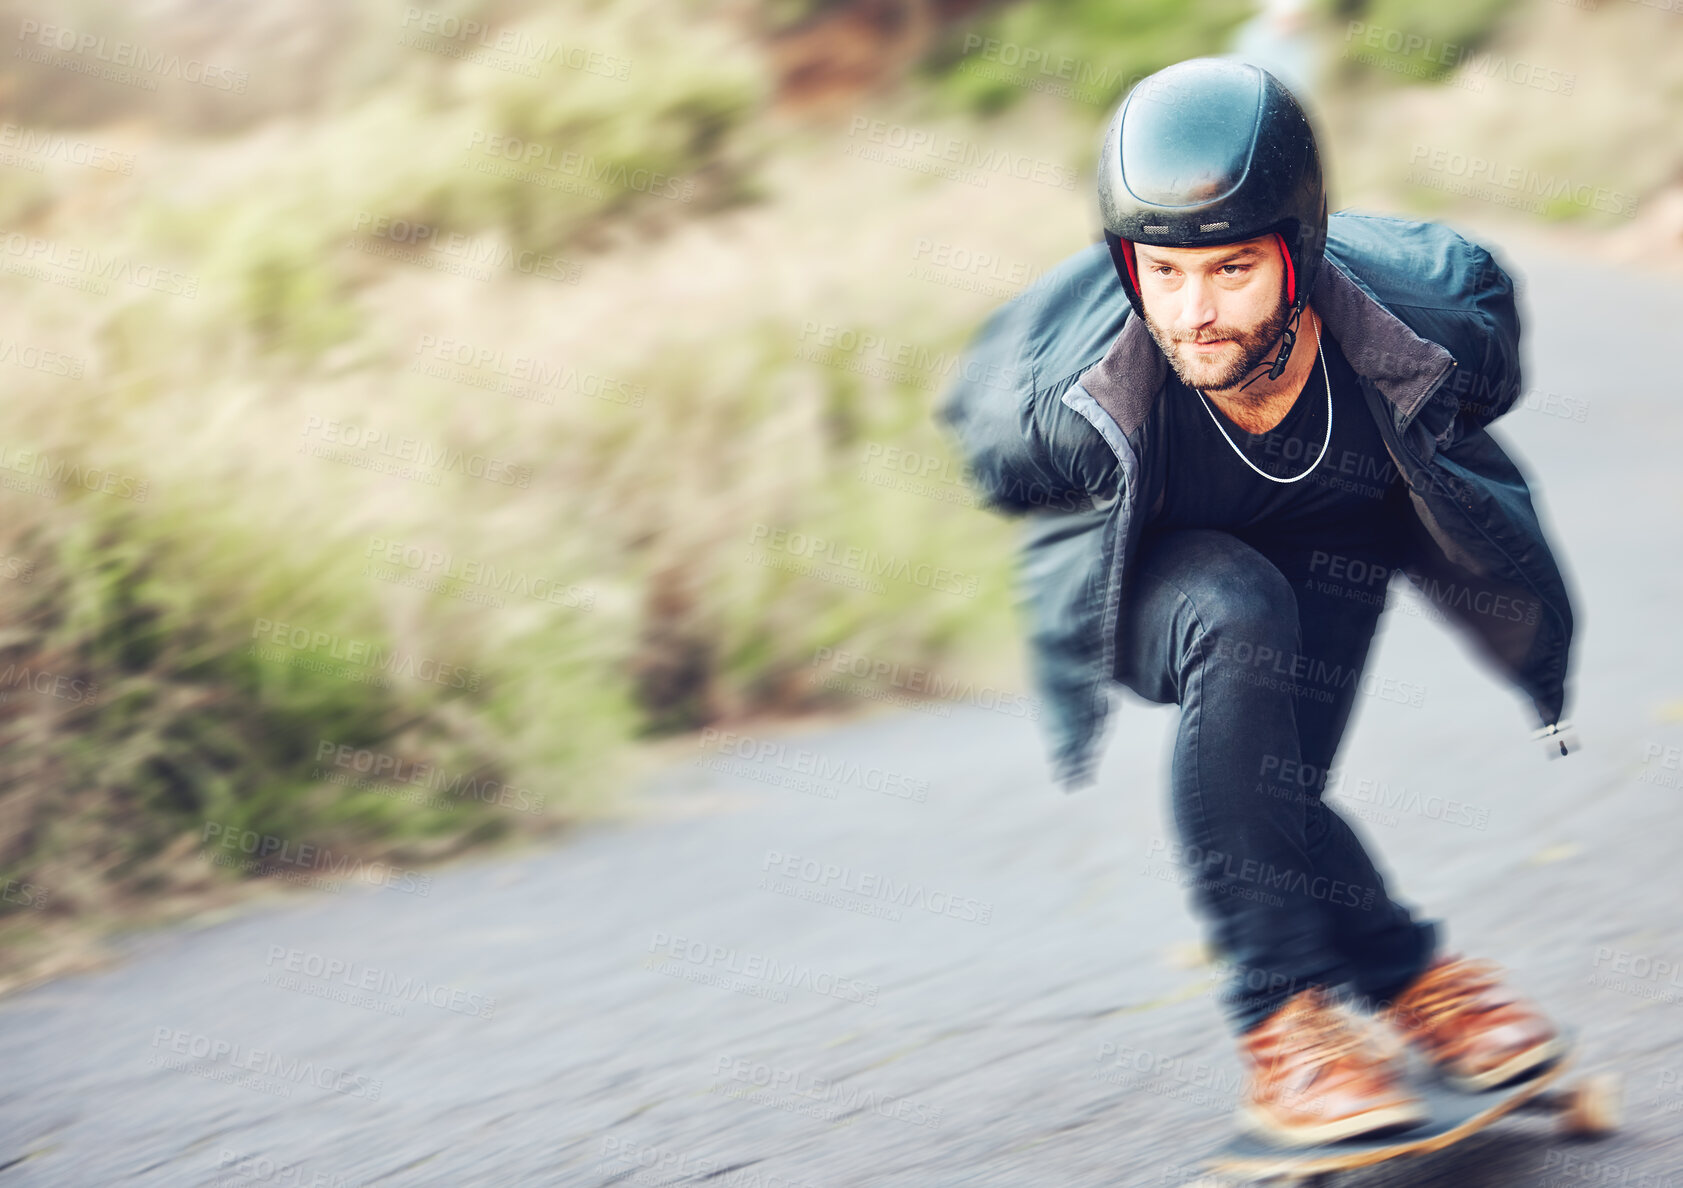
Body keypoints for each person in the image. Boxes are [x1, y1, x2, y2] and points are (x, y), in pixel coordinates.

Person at [935, 57, 1581, 1147]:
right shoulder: (1065, 388)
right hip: (1158, 579)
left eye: (1233, 269)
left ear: (1300, 250)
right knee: (1234, 611)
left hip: (1336, 547)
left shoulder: (1422, 326)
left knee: (1276, 792)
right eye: (1164, 273)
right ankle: (1284, 1025)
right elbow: (994, 458)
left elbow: (1486, 377)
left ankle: (1409, 977)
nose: (1195, 314)